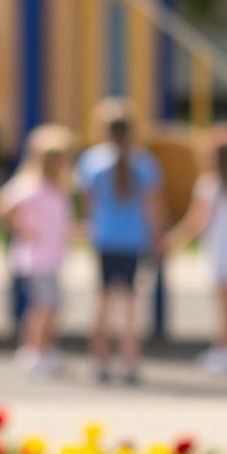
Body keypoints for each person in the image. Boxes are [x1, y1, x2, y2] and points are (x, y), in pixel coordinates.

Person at [76, 98, 165, 385]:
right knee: (130, 304)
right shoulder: (145, 163)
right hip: (133, 239)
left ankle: (99, 362)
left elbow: (88, 204)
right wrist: (157, 236)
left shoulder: (92, 161)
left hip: (104, 237)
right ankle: (130, 363)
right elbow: (153, 207)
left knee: (102, 302)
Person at [162, 126, 227, 371]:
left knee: (224, 303)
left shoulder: (210, 185)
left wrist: (173, 240)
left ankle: (225, 349)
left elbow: (197, 221)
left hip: (223, 250)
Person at [0, 123, 76, 377]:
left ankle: (45, 348)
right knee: (44, 306)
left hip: (51, 258)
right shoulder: (30, 186)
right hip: (36, 259)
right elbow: (1, 205)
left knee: (51, 306)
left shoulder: (56, 189)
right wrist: (21, 228)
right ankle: (34, 351)